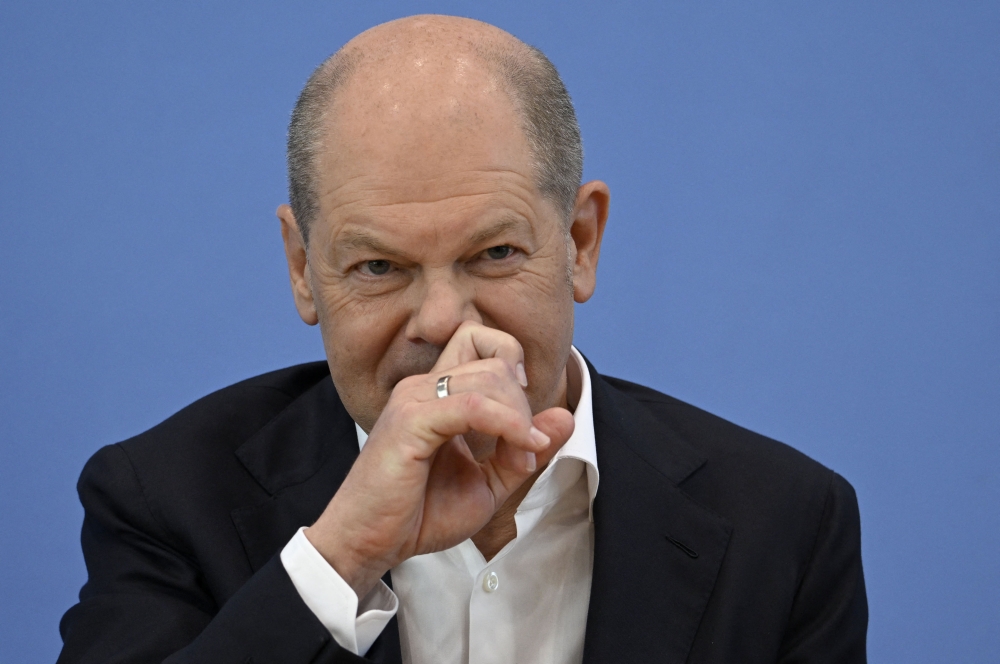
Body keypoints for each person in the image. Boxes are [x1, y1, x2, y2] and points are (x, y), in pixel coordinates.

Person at [57, 14, 867, 664]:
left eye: (495, 253)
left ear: (581, 242)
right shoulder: (163, 499)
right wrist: (340, 558)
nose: (444, 320)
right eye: (378, 265)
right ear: (304, 269)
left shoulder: (786, 522)